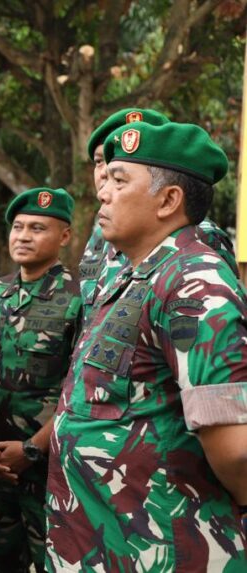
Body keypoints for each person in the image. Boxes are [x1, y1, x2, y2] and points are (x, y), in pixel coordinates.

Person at [46, 121, 247, 570]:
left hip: (160, 553)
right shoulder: (134, 277)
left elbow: (236, 448)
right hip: (103, 546)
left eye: (120, 181)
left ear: (169, 200)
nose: (103, 192)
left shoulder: (194, 283)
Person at [0, 188, 81, 573]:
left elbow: (80, 390)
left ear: (64, 236)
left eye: (37, 228)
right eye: (18, 227)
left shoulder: (79, 300)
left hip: (48, 471)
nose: (24, 236)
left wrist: (31, 449)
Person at [78, 107, 237, 328]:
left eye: (121, 169)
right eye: (99, 160)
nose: (106, 171)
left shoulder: (201, 238)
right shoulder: (99, 237)